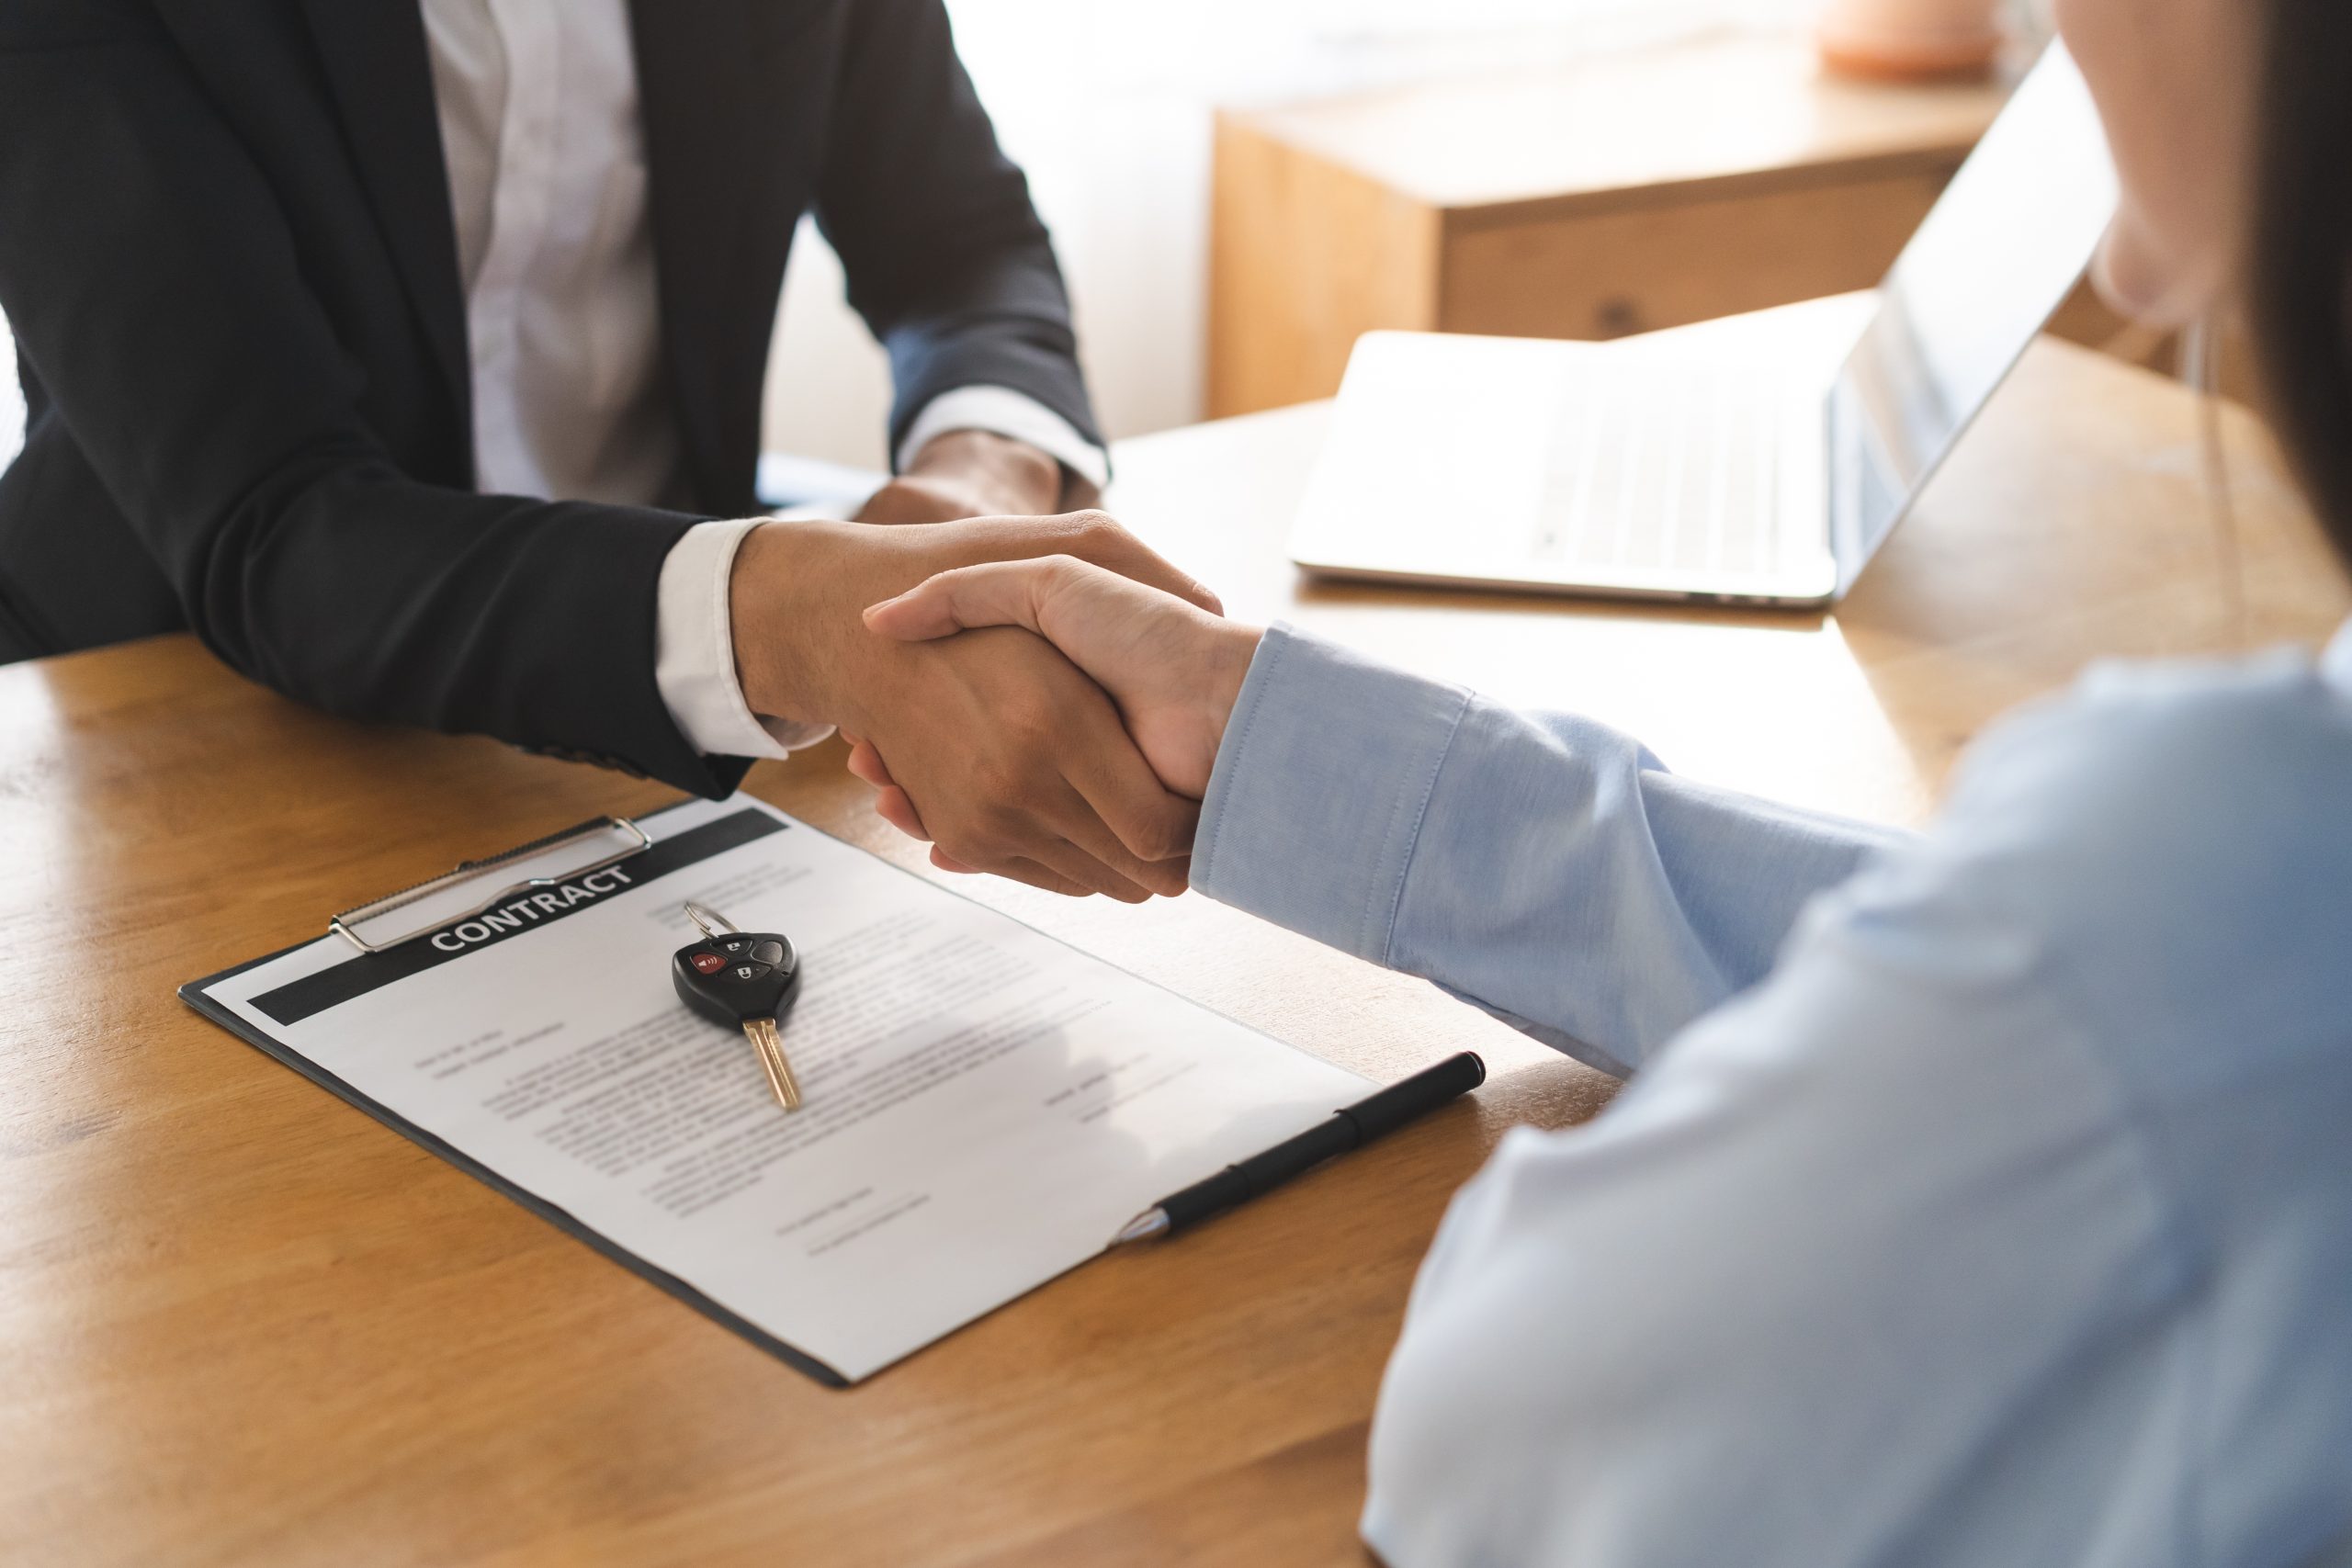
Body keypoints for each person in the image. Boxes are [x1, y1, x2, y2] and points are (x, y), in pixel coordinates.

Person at [855, 0, 2352, 1559]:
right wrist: (1267, 742)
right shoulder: (2207, 906)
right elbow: (2040, 996)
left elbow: (1513, 1426)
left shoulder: (2206, 872)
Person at [0, 0, 1207, 903]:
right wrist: (792, 619)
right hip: (181, 724)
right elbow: (283, 528)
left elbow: (958, 240)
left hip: (680, 728)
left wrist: (972, 486)